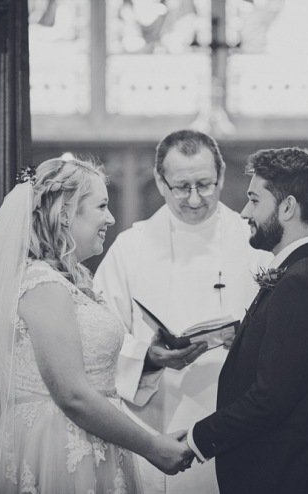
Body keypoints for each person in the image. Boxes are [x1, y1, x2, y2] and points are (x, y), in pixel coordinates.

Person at [0, 158, 194, 493]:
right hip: (55, 449)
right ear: (65, 213)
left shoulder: (73, 281)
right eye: (102, 206)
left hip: (94, 442)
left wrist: (150, 360)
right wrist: (152, 447)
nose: (111, 218)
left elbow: (90, 369)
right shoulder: (42, 284)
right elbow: (73, 394)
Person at [94, 130, 271, 494]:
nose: (194, 198)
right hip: (157, 420)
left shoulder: (255, 242)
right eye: (181, 186)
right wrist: (149, 357)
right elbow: (98, 339)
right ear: (160, 182)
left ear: (221, 177)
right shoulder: (131, 248)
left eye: (205, 185)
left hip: (241, 419)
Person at [185, 147, 308, 493]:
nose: (245, 212)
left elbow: (270, 399)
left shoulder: (300, 283)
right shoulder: (299, 273)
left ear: (287, 207)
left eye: (255, 201)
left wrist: (195, 440)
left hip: (288, 477)